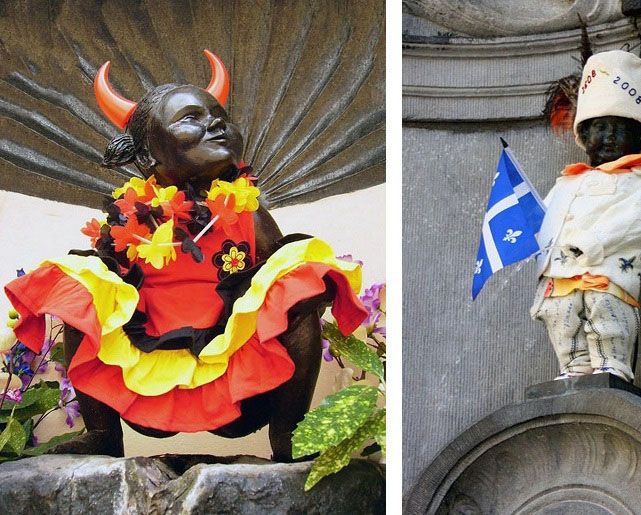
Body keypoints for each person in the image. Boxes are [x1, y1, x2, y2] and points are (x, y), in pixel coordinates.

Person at [4, 51, 368, 461]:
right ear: (146, 153)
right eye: (191, 118)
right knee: (81, 294)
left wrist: (312, 292)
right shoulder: (128, 218)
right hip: (144, 381)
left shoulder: (247, 211)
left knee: (296, 292)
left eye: (219, 117)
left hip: (242, 386)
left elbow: (292, 286)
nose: (215, 124)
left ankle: (289, 437)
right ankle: (103, 435)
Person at [531, 50, 641, 383]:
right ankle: (573, 365)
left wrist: (593, 241)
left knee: (607, 312)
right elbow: (546, 218)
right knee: (560, 316)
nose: (608, 136)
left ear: (636, 138)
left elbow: (636, 222)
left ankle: (612, 363)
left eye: (619, 129)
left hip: (607, 270)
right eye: (600, 127)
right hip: (561, 271)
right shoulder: (566, 182)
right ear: (584, 135)